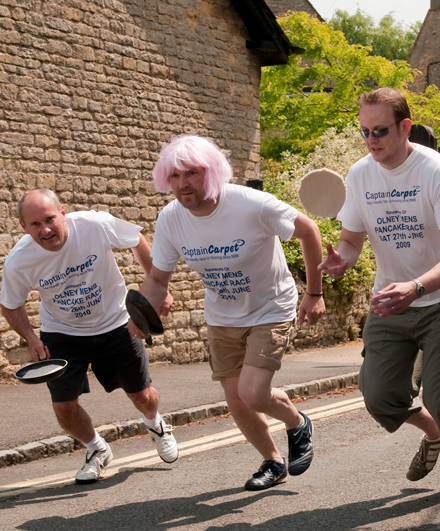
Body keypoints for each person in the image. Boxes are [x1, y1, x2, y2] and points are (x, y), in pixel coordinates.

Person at [129, 135, 325, 491]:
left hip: (269, 307)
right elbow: (158, 279)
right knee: (237, 400)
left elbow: (308, 230)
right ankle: (273, 461)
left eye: (192, 173)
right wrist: (141, 314)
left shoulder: (251, 204)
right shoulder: (171, 219)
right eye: (174, 176)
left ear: (213, 172)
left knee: (253, 392)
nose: (183, 183)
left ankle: (297, 422)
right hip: (223, 315)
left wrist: (314, 293)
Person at [318, 87, 440, 494]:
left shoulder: (434, 170)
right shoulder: (360, 175)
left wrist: (417, 286)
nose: (371, 140)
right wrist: (342, 258)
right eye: (364, 132)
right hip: (390, 302)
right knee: (378, 396)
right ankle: (435, 434)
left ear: (405, 127)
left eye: (380, 131)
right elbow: (352, 241)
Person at [0, 189, 179, 484]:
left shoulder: (94, 225)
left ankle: (155, 424)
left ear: (63, 213)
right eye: (35, 224)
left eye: (49, 219)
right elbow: (10, 304)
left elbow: (136, 240)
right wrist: (32, 339)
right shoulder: (21, 260)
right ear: (23, 226)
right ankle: (97, 449)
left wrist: (158, 287)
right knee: (63, 406)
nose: (45, 230)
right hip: (62, 332)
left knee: (142, 395)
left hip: (116, 323)